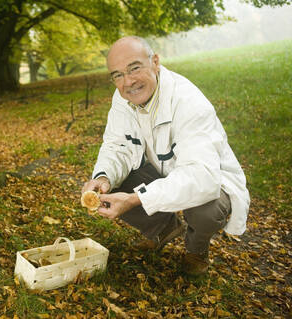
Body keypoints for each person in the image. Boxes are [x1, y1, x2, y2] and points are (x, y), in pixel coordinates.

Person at [81, 36, 250, 275]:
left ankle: (196, 249)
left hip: (209, 180)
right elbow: (116, 145)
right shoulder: (122, 98)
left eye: (135, 68)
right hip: (162, 172)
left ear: (156, 62)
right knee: (114, 184)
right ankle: (164, 229)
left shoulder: (189, 102)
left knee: (205, 210)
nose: (128, 82)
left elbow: (201, 177)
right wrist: (103, 177)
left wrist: (133, 200)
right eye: (118, 75)